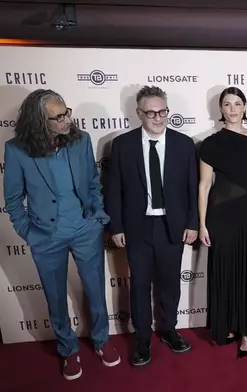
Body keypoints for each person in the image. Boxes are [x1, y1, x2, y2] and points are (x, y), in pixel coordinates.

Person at [3, 89, 120, 380]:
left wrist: (96, 216)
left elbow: (93, 182)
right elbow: (14, 200)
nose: (67, 120)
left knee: (95, 290)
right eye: (58, 117)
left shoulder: (81, 140)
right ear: (39, 122)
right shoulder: (17, 150)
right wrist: (28, 232)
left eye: (66, 112)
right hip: (45, 236)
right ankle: (68, 349)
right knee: (55, 296)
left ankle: (102, 341)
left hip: (85, 230)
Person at [105, 86, 198, 366]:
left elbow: (192, 188)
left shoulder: (184, 144)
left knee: (170, 284)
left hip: (173, 226)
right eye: (151, 113)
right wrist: (117, 227)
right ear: (139, 114)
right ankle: (142, 338)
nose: (158, 118)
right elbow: (113, 190)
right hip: (138, 228)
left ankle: (169, 330)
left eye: (163, 111)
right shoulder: (122, 145)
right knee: (140, 286)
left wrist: (192, 222)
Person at [199, 87, 247, 357]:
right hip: (220, 217)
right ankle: (229, 324)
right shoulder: (210, 143)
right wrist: (203, 224)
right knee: (226, 273)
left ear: (244, 107)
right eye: (227, 104)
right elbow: (204, 186)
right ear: (220, 109)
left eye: (237, 103)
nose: (232, 109)